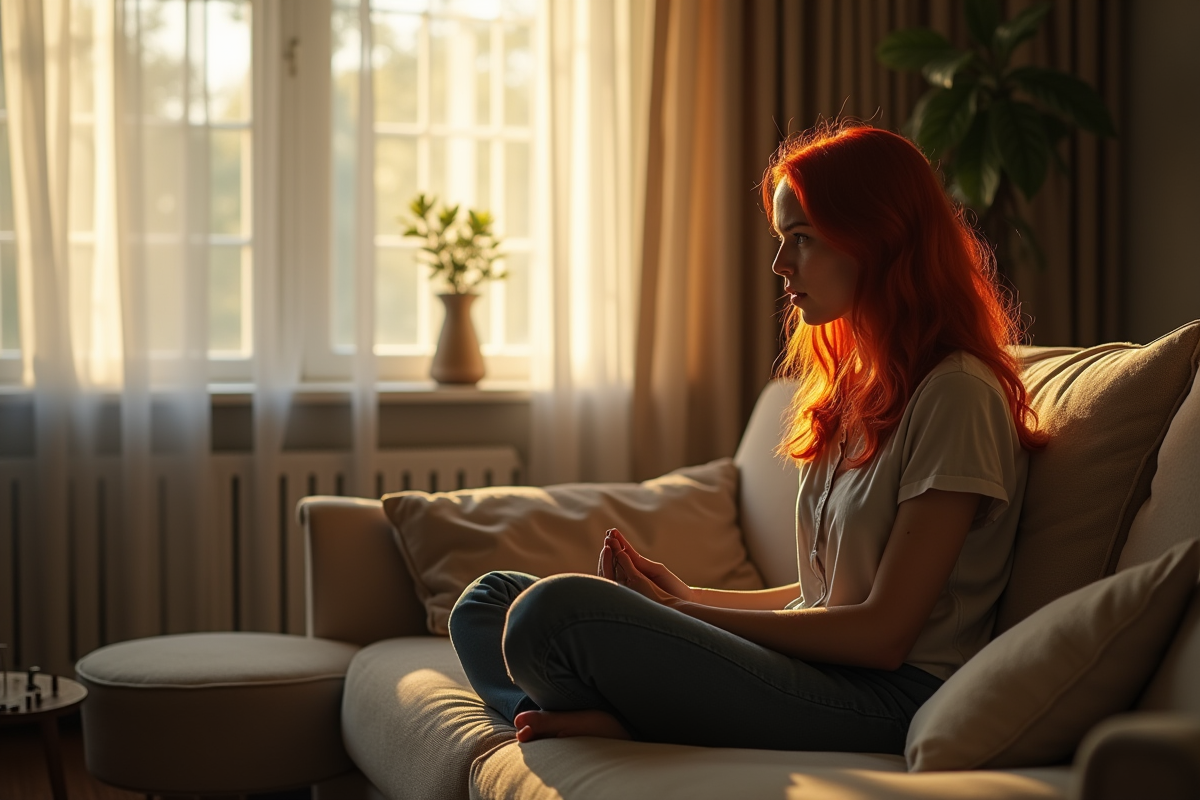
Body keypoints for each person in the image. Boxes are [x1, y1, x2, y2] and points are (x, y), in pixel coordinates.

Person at [447, 121, 1047, 754]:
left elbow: (882, 634)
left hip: (887, 695)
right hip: (820, 670)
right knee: (491, 602)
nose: (779, 264)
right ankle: (593, 717)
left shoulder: (955, 394)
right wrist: (688, 594)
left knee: (553, 614)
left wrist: (682, 618)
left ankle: (614, 716)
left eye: (803, 239)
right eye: (782, 239)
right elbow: (826, 595)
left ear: (879, 239)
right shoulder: (856, 386)